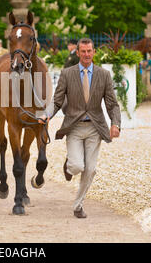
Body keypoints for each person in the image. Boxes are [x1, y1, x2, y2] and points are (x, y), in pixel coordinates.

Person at [39, 38, 121, 219]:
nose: (86, 55)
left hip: (95, 128)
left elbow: (112, 104)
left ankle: (78, 205)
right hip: (74, 127)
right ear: (77, 53)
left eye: (89, 51)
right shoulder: (67, 74)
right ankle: (69, 167)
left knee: (90, 170)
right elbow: (57, 101)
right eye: (83, 51)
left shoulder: (103, 75)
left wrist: (115, 124)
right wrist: (46, 115)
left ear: (93, 52)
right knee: (77, 165)